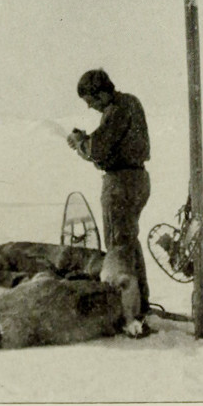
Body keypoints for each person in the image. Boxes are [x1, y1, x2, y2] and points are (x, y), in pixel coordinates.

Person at [67, 69, 151, 319]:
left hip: (120, 183)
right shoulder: (131, 102)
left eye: (90, 101)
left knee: (117, 247)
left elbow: (98, 150)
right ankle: (141, 301)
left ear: (102, 93)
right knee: (129, 241)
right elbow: (113, 143)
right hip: (138, 179)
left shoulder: (115, 110)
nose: (90, 107)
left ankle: (128, 310)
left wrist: (80, 143)